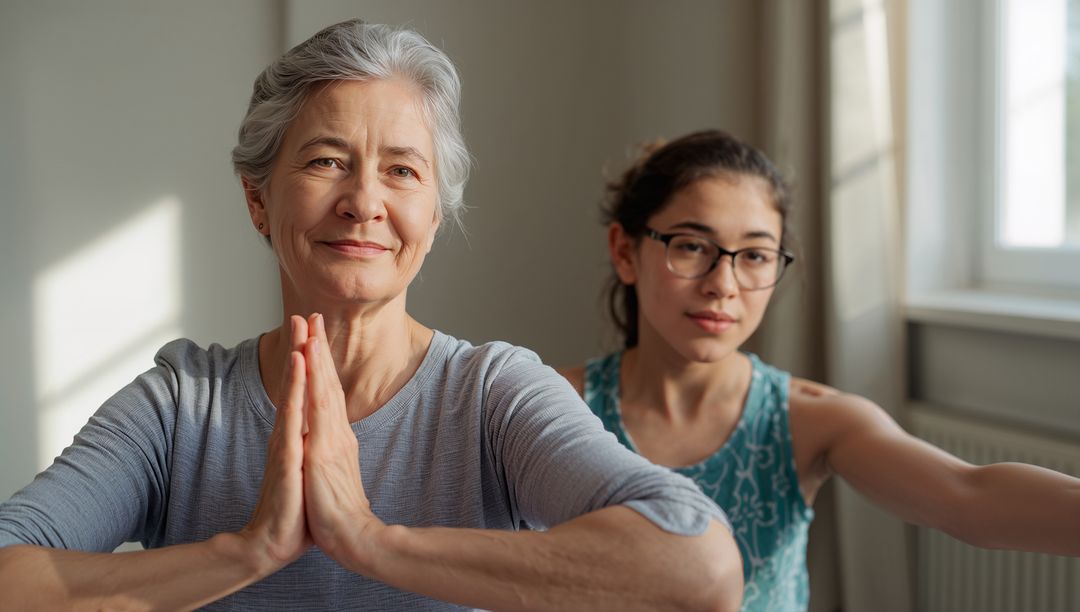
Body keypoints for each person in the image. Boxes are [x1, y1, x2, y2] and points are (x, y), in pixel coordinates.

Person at [0, 21, 744, 610]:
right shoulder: (179, 406)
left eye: (402, 170)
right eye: (326, 160)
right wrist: (250, 549)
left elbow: (698, 566)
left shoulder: (495, 394)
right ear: (258, 197)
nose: (364, 201)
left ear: (434, 210)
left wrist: (368, 539)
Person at [558, 129, 1080, 611]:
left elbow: (967, 496)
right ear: (625, 252)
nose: (724, 283)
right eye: (692, 246)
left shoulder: (810, 422)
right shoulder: (555, 407)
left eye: (756, 255)